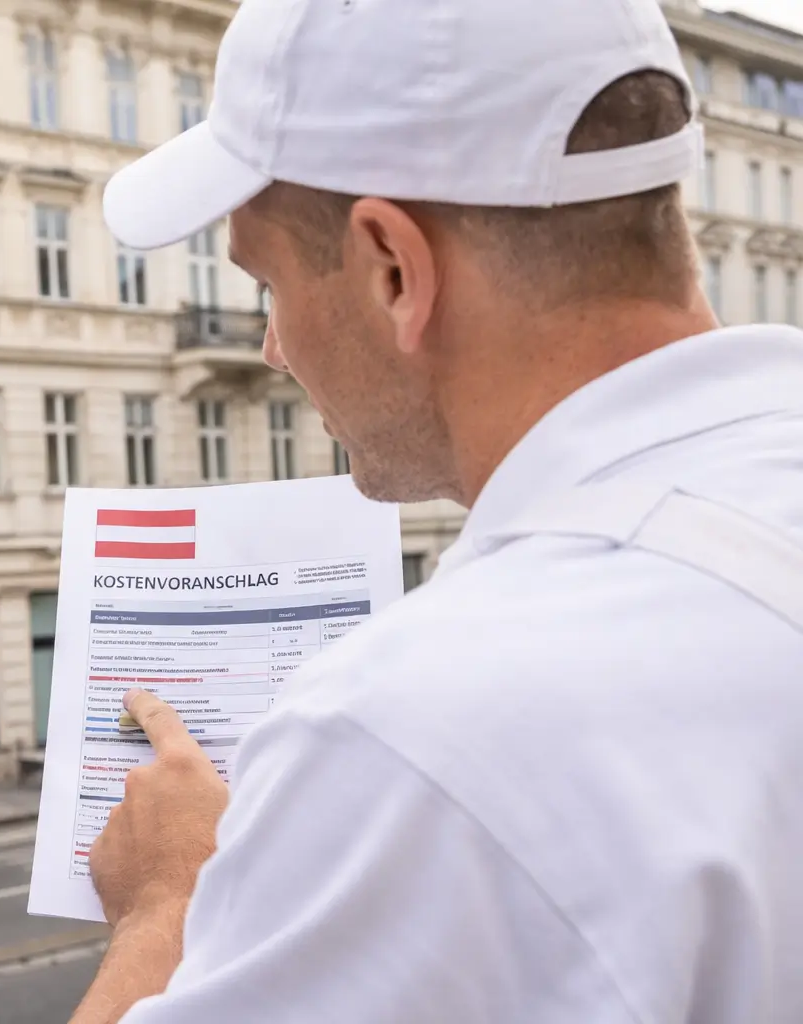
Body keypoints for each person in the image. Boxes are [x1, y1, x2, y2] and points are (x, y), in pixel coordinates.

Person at [72, 0, 803, 1021]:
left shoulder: (406, 737)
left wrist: (167, 909)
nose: (274, 348)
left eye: (269, 282)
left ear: (393, 269)